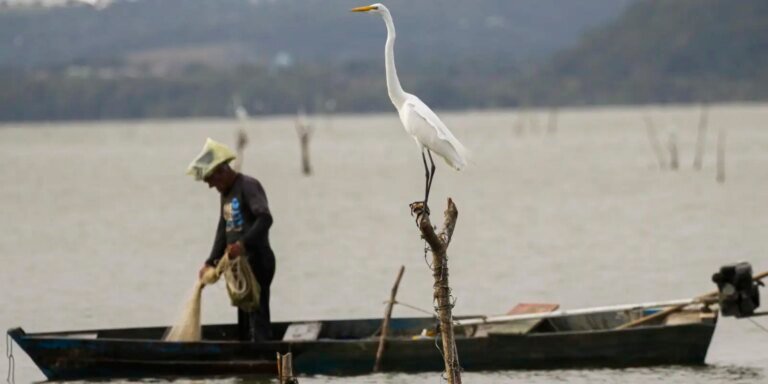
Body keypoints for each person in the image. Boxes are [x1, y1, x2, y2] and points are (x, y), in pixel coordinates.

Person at [187, 138, 276, 342]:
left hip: (258, 260)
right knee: (244, 314)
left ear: (222, 171)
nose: (211, 186)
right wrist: (210, 262)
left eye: (212, 180)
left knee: (258, 311)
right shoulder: (226, 193)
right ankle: (245, 350)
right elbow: (223, 228)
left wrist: (242, 245)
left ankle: (263, 352)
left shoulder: (248, 186)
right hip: (238, 265)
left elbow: (265, 219)